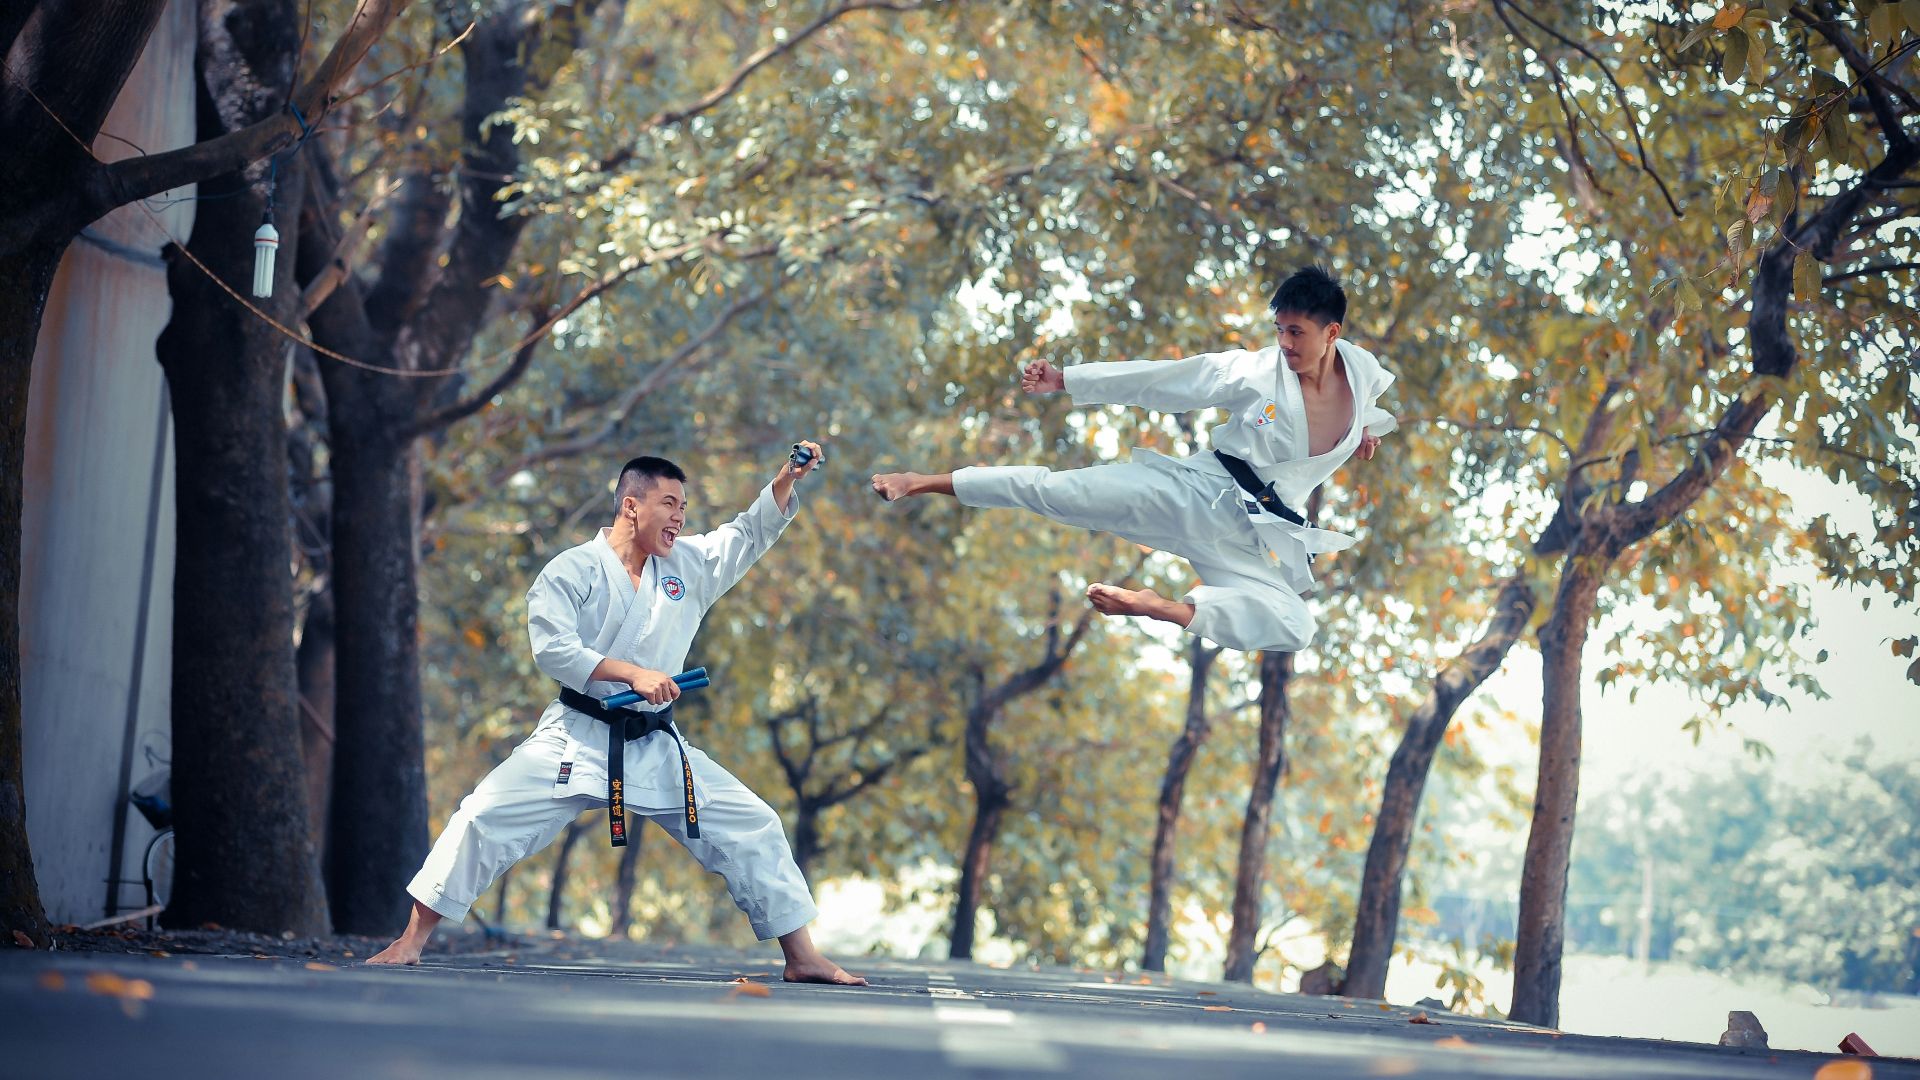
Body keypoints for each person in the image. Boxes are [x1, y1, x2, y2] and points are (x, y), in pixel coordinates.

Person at [369, 445, 865, 985]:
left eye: (683, 507)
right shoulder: (572, 570)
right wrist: (632, 674)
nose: (680, 517)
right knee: (482, 815)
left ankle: (801, 956)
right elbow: (553, 649)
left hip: (654, 743)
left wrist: (788, 476)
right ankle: (410, 941)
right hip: (575, 738)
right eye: (669, 504)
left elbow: (747, 533)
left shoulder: (687, 567)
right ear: (631, 506)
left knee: (753, 823)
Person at [871, 266, 1394, 653]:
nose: (1284, 343)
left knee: (1297, 627)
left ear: (1332, 334)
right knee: (1054, 491)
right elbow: (1161, 380)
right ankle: (922, 481)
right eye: (1279, 329)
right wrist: (1066, 380)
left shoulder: (1360, 373)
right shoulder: (1254, 374)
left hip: (1246, 541)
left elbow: (1365, 407)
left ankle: (1161, 608)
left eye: (1296, 332)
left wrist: (1364, 431)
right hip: (1191, 495)